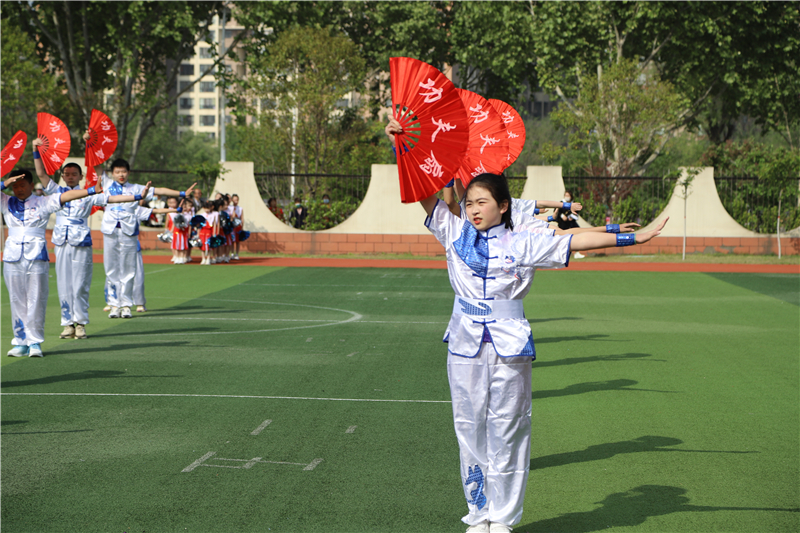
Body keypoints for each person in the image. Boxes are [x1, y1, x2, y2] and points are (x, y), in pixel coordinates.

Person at [385, 120, 667, 533]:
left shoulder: (523, 242)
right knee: (469, 429)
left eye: (483, 202)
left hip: (509, 345)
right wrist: (403, 145)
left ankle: (503, 519)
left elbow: (574, 241)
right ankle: (478, 515)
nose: (474, 208)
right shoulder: (454, 231)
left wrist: (634, 238)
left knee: (509, 429)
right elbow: (424, 194)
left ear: (504, 205)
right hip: (464, 342)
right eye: (470, 202)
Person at [32, 139, 149, 339]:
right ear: (62, 176)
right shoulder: (55, 191)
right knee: (63, 284)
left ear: (81, 176)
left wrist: (137, 197)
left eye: (74, 174)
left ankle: (81, 323)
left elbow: (112, 199)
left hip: (81, 243)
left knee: (80, 285)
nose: (70, 177)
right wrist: (35, 149)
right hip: (62, 242)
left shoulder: (89, 193)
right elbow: (41, 173)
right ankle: (67, 323)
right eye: (66, 174)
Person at [2, 170, 124, 356]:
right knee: (17, 300)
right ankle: (20, 342)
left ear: (30, 185)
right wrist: (4, 183)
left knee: (36, 300)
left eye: (22, 185)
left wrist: (91, 191)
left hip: (36, 256)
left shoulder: (43, 201)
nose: (18, 189)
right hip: (12, 257)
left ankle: (34, 342)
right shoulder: (5, 201)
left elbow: (67, 195)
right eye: (15, 186)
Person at [85, 130, 195, 319]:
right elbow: (95, 163)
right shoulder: (106, 182)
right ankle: (113, 304)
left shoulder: (136, 188)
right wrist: (89, 144)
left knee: (128, 269)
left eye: (124, 172)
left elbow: (159, 189)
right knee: (111, 268)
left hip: (128, 232)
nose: (121, 174)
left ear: (128, 173)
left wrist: (182, 193)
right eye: (117, 172)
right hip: (111, 230)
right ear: (112, 173)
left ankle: (126, 304)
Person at [229, 193, 244, 260]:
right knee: (232, 240)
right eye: (234, 200)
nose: (235, 201)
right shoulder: (230, 208)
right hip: (232, 226)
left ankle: (237, 253)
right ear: (232, 200)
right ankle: (232, 253)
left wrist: (242, 226)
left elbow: (242, 218)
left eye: (237, 200)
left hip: (238, 226)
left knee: (237, 241)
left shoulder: (240, 208)